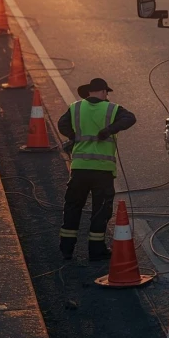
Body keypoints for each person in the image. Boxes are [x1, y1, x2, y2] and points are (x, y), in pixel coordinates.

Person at [57, 78, 136, 261]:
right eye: (106, 93)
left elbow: (62, 124)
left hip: (79, 168)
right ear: (102, 92)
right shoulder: (112, 109)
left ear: (88, 92)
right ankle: (96, 249)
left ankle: (66, 249)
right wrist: (108, 130)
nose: (106, 96)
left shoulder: (76, 108)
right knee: (101, 209)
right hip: (102, 170)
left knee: (73, 206)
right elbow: (130, 118)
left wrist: (74, 136)